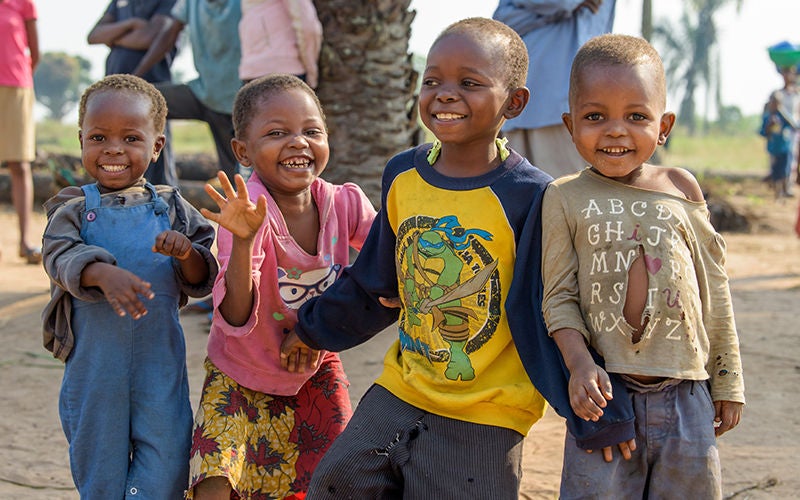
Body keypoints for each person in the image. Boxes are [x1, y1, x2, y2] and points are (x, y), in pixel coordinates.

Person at [278, 18, 632, 498]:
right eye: (432, 81)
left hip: (488, 408)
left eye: (469, 83)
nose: (444, 94)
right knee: (337, 482)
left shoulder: (531, 197)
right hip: (403, 385)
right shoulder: (404, 175)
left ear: (515, 103)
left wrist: (600, 413)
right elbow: (375, 280)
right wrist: (312, 328)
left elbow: (549, 303)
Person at [540, 34, 745, 499]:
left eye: (637, 116)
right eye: (595, 117)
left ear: (664, 124)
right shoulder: (563, 196)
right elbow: (558, 296)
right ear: (570, 125)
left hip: (687, 393)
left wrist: (728, 377)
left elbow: (713, 287)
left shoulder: (681, 188)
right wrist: (579, 366)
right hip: (606, 396)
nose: (616, 131)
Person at [187, 74, 376, 499]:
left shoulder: (345, 203)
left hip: (313, 369)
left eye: (311, 131)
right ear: (242, 150)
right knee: (215, 478)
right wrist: (243, 242)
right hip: (239, 371)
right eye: (276, 133)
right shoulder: (246, 211)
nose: (297, 142)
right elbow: (235, 315)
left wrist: (321, 330)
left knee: (333, 476)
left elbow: (385, 264)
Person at [40, 74, 219, 498]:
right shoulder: (73, 209)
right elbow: (57, 256)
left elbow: (203, 276)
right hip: (94, 369)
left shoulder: (172, 206)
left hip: (160, 362)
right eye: (99, 137)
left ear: (157, 146)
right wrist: (101, 273)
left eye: (131, 138)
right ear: (81, 139)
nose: (114, 149)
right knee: (99, 463)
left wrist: (186, 254)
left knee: (169, 458)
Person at [493, 0, 615, 179]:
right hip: (514, 99)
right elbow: (501, 22)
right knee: (517, 192)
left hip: (561, 102)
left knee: (564, 193)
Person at [133, 0, 241, 179]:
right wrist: (135, 76)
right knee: (139, 98)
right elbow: (169, 36)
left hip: (238, 97)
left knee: (237, 170)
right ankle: (139, 183)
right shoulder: (190, 3)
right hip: (202, 92)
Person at [87, 0, 179, 186]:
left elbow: (149, 37)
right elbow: (94, 36)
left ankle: (165, 207)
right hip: (114, 95)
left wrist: (112, 36)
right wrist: (130, 25)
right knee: (113, 152)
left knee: (153, 153)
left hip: (150, 88)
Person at [0, 0, 40, 264]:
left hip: (16, 86)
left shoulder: (22, 3)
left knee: (20, 164)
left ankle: (25, 242)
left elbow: (35, 53)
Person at [239, 0, 323, 86]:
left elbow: (307, 26)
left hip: (255, 72)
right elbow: (307, 26)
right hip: (285, 69)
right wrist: (311, 71)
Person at [760, 91, 797, 199]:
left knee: (785, 170)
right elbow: (763, 132)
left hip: (785, 148)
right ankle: (778, 193)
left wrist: (782, 112)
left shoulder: (783, 116)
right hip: (774, 149)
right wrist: (769, 125)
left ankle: (785, 190)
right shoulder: (767, 117)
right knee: (776, 172)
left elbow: (793, 125)